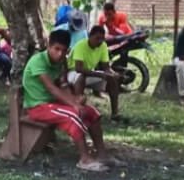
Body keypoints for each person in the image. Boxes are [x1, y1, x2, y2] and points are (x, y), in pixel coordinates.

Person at [23, 30, 115, 172]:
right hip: (38, 107)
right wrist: (73, 104)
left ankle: (102, 154)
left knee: (92, 112)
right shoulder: (37, 61)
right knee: (73, 115)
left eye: (64, 51)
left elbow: (64, 85)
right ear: (48, 46)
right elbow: (52, 88)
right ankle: (84, 159)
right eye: (57, 49)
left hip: (53, 104)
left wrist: (75, 99)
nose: (60, 54)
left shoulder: (61, 62)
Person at [69, 26, 122, 118]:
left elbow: (106, 67)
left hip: (88, 73)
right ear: (90, 36)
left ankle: (115, 113)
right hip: (72, 73)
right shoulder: (81, 45)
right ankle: (78, 111)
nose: (100, 41)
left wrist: (113, 74)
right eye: (97, 38)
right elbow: (78, 68)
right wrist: (100, 74)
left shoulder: (103, 46)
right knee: (80, 77)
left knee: (112, 79)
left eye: (102, 39)